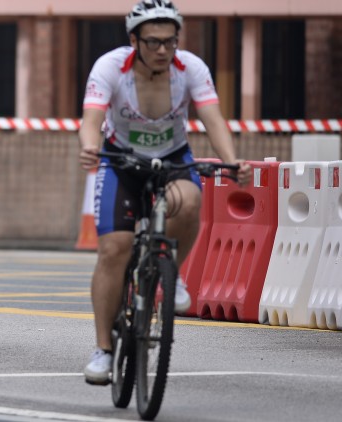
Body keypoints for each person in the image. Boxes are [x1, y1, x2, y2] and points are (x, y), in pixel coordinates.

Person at [78, 0, 252, 385]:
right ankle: (103, 349)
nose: (162, 50)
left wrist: (231, 161)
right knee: (114, 250)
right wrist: (90, 146)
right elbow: (91, 119)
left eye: (170, 42)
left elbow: (213, 119)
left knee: (190, 202)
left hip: (172, 157)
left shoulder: (190, 68)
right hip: (122, 160)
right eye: (153, 42)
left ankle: (169, 273)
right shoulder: (110, 67)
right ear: (134, 41)